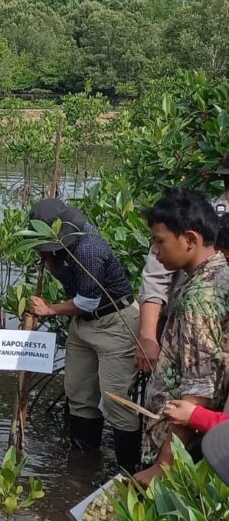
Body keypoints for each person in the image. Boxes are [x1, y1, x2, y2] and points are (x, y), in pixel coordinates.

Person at [27, 198, 142, 472]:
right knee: (78, 393)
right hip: (82, 325)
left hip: (114, 322)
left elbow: (88, 302)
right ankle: (82, 465)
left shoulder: (88, 248)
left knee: (116, 401)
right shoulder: (56, 251)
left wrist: (49, 309)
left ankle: (130, 473)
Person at [132, 189, 229, 485]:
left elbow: (199, 388)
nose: (156, 251)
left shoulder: (201, 295)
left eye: (160, 241)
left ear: (189, 239)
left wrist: (163, 465)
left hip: (181, 448)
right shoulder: (219, 275)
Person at [136, 160, 229, 374]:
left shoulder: (201, 296)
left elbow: (200, 381)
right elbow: (156, 278)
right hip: (181, 328)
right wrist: (148, 336)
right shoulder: (201, 215)